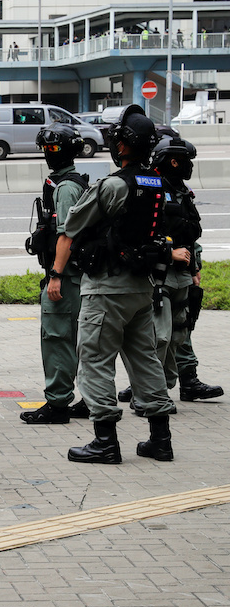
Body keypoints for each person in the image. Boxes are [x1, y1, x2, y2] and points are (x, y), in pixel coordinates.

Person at [49, 105, 183, 464]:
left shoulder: (112, 185)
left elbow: (74, 224)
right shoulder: (156, 181)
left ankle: (105, 441)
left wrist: (58, 272)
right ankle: (160, 439)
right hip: (142, 288)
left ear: (124, 145)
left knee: (93, 360)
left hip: (107, 288)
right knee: (145, 360)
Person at [117, 136, 221, 409]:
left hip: (182, 274)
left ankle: (171, 385)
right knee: (157, 337)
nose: (189, 166)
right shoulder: (151, 188)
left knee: (179, 333)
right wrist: (167, 253)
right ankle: (148, 392)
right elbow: (140, 232)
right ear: (173, 160)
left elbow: (189, 234)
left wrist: (195, 266)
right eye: (186, 161)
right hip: (160, 273)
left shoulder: (181, 191)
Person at [20, 123, 90, 425]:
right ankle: (90, 399)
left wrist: (56, 275)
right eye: (47, 149)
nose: (50, 154)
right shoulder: (71, 182)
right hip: (76, 276)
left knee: (58, 337)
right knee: (78, 339)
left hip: (67, 277)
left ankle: (58, 403)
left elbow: (67, 236)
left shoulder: (65, 188)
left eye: (54, 149)